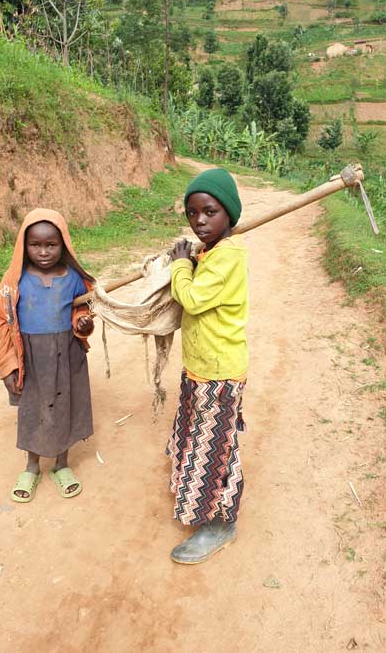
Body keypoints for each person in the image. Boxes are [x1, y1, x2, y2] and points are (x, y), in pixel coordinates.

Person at [167, 168, 249, 564]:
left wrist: (180, 265)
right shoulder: (212, 252)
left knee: (217, 446)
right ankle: (194, 494)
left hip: (219, 373)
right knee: (200, 435)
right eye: (192, 213)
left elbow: (194, 300)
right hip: (201, 368)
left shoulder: (228, 256)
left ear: (229, 215)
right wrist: (192, 257)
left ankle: (220, 522)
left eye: (210, 211)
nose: (200, 221)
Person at [0, 208, 95, 503]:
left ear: (63, 244)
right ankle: (32, 466)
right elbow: (2, 321)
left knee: (65, 408)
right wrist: (8, 365)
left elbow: (81, 309)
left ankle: (62, 466)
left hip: (67, 355)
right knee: (33, 410)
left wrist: (82, 323)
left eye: (51, 244)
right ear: (24, 246)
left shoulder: (74, 278)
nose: (44, 251)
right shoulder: (15, 282)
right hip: (32, 359)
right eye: (35, 245)